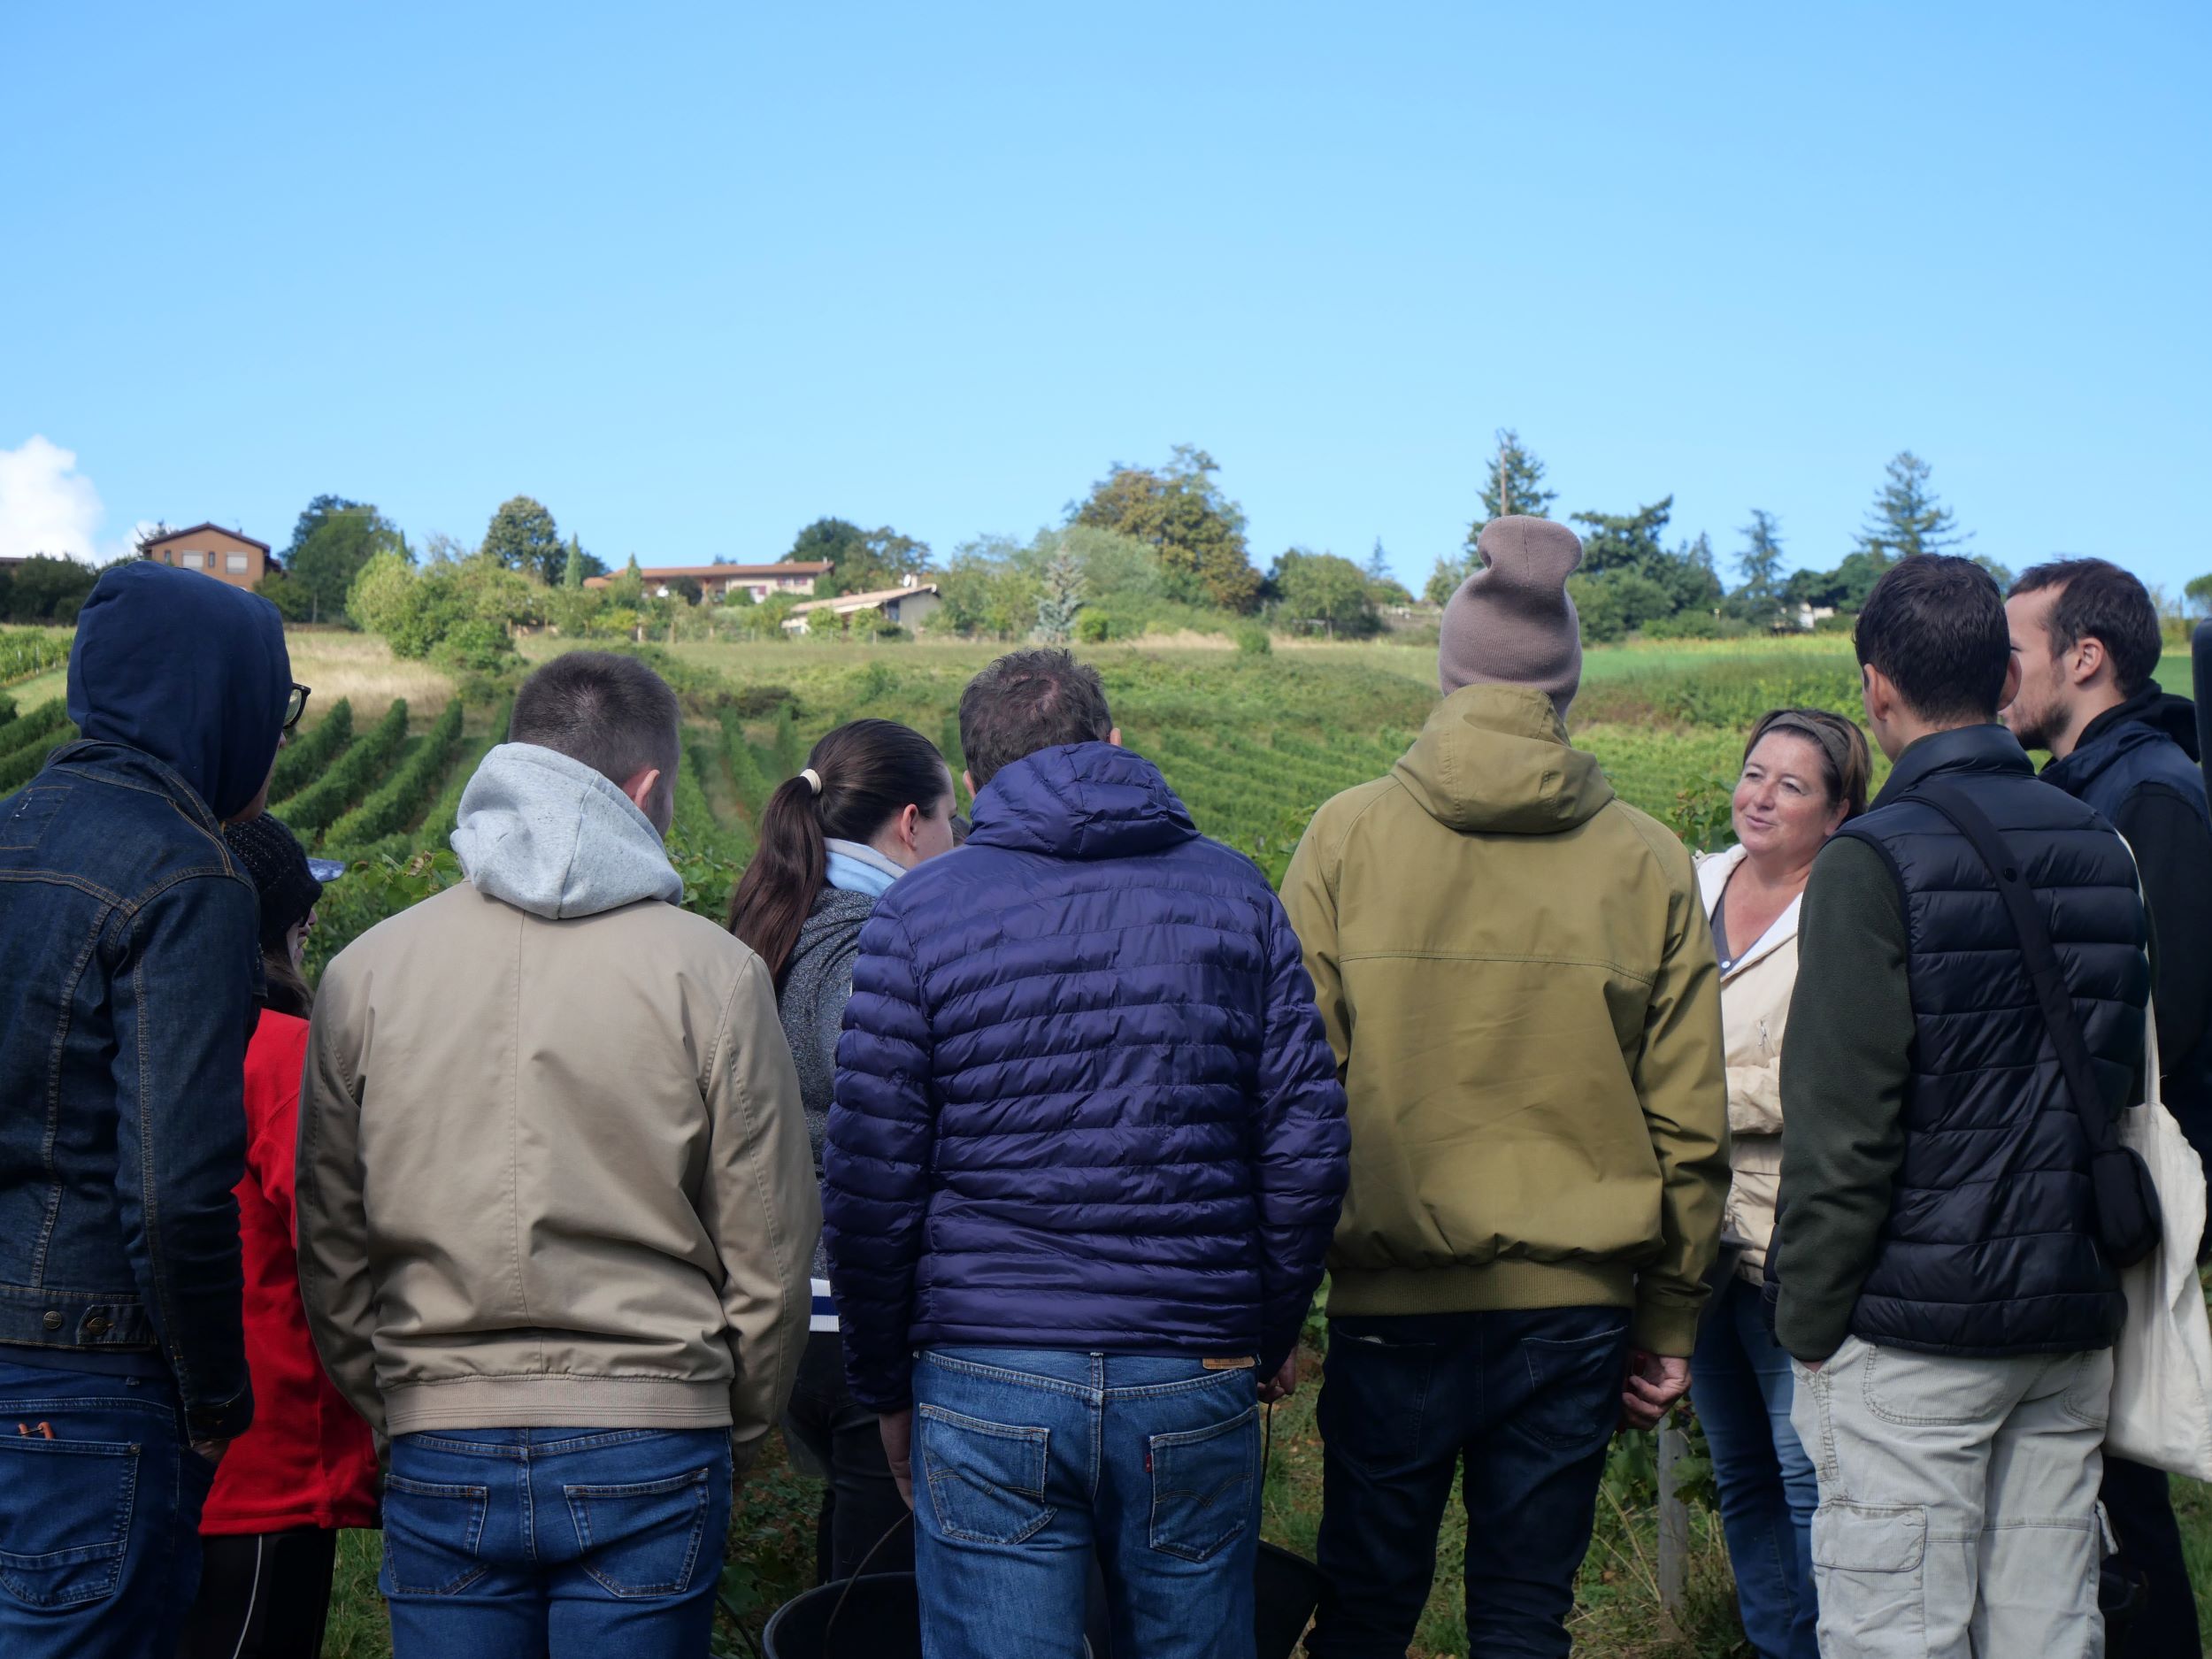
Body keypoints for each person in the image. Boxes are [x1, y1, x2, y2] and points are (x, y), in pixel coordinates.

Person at [824, 648, 1348, 1659]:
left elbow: (871, 1179)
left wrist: (886, 1384)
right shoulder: (1234, 893)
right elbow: (1305, 1144)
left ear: (973, 782)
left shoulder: (918, 914)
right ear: (1115, 743)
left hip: (987, 1366)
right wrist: (1261, 1325)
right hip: (1189, 1353)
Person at [296, 651, 818, 1659]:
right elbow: (769, 1243)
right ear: (648, 790)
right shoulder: (713, 973)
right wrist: (735, 1423)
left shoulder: (365, 973)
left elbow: (331, 1233)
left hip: (440, 1422)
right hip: (654, 1424)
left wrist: (394, 1395)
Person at [1280, 515, 1732, 1659]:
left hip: (1389, 1304)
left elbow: (1290, 1090)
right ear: (1564, 683)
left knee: (1366, 1607)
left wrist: (1274, 1304)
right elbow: (1687, 1116)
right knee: (1528, 1616)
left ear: (1450, 673)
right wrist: (1669, 1315)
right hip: (1575, 1307)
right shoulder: (1647, 854)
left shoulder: (1345, 836)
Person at [1773, 555, 2150, 1659]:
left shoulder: (1871, 859)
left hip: (1913, 1331)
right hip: (2067, 1314)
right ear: (1999, 678)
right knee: (2047, 1635)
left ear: (1875, 688)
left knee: (1899, 1638)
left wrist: (1806, 1322)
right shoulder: (2101, 840)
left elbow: (1843, 1128)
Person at [0, 561, 291, 1659]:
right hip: (88, 1384)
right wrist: (215, 1399)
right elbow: (172, 1191)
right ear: (219, 701)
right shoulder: (187, 879)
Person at [2003, 557, 2212, 1659]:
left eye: (2015, 654)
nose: (1998, 679)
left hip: (2129, 1171)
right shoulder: (2092, 785)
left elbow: (2158, 1019)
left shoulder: (2152, 794)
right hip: (2097, 1163)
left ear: (2085, 659)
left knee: (2114, 1467)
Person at [727, 717, 959, 1586]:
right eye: (946, 822)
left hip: (787, 1306)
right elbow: (881, 1108)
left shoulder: (780, 918)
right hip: (860, 1312)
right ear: (909, 825)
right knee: (879, 1600)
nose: (954, 843)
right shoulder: (869, 943)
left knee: (850, 1576)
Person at [1688, 709, 1870, 1659]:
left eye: (1791, 785)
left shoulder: (1844, 905)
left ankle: (1820, 1646)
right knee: (1738, 1470)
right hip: (1687, 1235)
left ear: (1837, 813)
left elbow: (1830, 1079)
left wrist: (1686, 1094)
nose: (1759, 797)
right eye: (1754, 773)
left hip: (1783, 1239)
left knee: (1804, 1477)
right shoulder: (1689, 884)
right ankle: (1772, 1643)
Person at [188, 815, 379, 1659]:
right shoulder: (281, 1053)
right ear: (291, 927)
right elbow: (340, 1244)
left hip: (134, 1446)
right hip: (265, 1463)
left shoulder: (132, 1037)